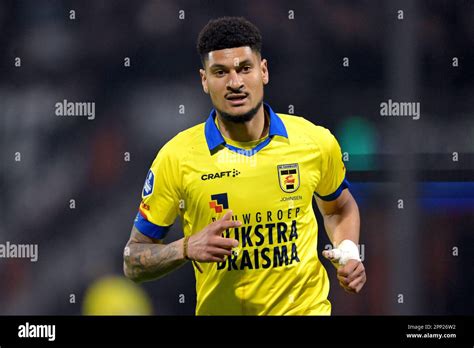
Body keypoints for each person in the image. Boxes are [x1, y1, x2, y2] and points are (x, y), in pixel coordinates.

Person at [123, 16, 366, 315]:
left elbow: (339, 207)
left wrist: (349, 252)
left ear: (263, 71)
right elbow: (133, 260)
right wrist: (185, 248)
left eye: (244, 68)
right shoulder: (176, 158)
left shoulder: (314, 142)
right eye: (220, 72)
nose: (235, 83)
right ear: (204, 80)